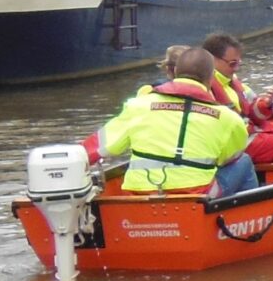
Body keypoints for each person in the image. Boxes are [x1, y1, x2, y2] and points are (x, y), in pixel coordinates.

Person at [98, 45, 259, 196]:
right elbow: (228, 157)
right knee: (244, 161)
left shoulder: (137, 105)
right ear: (211, 78)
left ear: (175, 71)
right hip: (197, 196)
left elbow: (101, 146)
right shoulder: (227, 117)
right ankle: (251, 212)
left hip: (139, 194)